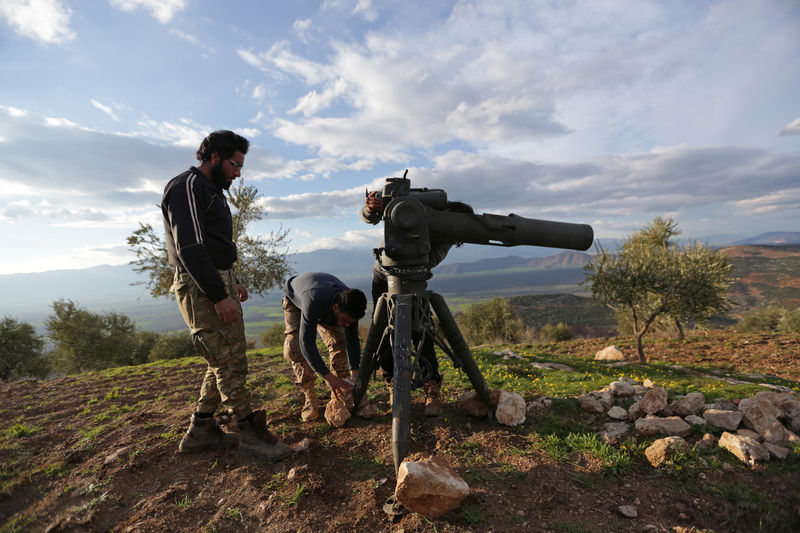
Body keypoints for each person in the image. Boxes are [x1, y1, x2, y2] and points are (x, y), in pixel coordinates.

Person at [162, 130, 292, 461]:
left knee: (224, 358)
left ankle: (201, 430)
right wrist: (218, 294)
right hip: (199, 288)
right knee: (229, 362)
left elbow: (213, 246)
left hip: (216, 282)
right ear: (214, 157)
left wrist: (232, 282)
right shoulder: (187, 186)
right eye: (235, 164)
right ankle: (250, 435)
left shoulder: (212, 192)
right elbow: (189, 248)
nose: (238, 173)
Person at [360, 191, 473, 416]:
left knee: (422, 332)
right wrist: (371, 208)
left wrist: (422, 237)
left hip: (415, 280)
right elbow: (371, 215)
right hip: (384, 277)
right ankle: (393, 384)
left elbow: (431, 259)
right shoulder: (414, 208)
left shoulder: (447, 234)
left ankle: (431, 387)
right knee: (384, 331)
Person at [282, 272, 369, 422]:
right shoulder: (314, 300)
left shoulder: (350, 304)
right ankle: (309, 396)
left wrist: (355, 374)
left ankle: (341, 394)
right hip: (295, 299)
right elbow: (307, 342)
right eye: (345, 320)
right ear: (336, 308)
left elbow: (352, 341)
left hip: (323, 301)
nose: (348, 325)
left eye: (351, 322)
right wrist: (327, 377)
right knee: (294, 347)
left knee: (339, 341)